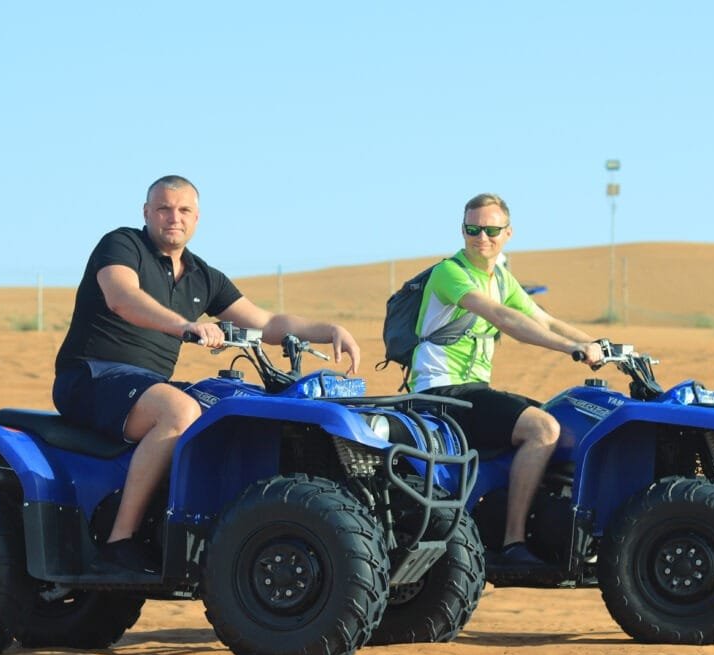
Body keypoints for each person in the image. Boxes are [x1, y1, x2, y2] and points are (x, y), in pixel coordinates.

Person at [53, 175, 360, 573]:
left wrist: (328, 329)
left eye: (184, 210)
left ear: (196, 218)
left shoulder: (202, 276)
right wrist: (186, 326)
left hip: (146, 386)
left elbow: (266, 323)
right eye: (163, 209)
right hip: (92, 376)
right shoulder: (122, 244)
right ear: (146, 213)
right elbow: (122, 298)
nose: (173, 218)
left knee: (230, 408)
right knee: (179, 411)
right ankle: (119, 541)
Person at [408, 193, 603, 572]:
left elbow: (544, 319)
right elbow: (505, 318)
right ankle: (513, 543)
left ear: (508, 233)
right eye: (472, 229)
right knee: (543, 428)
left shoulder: (500, 278)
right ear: (463, 231)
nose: (481, 237)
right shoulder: (450, 273)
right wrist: (572, 349)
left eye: (491, 230)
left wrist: (600, 345)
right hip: (442, 392)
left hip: (473, 391)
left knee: (567, 425)